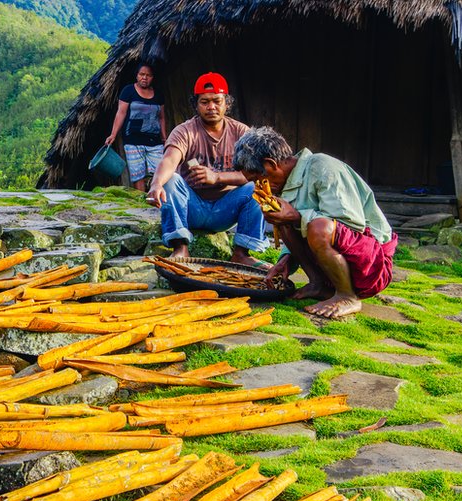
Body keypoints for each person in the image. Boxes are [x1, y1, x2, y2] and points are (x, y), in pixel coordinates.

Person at [233, 126, 398, 318]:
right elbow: (298, 227)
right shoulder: (286, 183)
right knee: (282, 218)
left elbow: (350, 225)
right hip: (334, 265)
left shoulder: (324, 168)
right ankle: (318, 283)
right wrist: (286, 260)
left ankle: (347, 296)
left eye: (258, 178)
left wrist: (296, 216)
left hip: (370, 267)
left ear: (271, 163)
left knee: (318, 226)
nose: (258, 186)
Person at [147, 72, 267, 265]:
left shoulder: (242, 133)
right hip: (191, 207)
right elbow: (169, 160)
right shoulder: (185, 131)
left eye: (217, 101)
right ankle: (180, 248)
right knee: (171, 180)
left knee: (259, 186)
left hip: (226, 210)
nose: (211, 107)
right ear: (196, 104)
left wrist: (217, 178)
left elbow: (255, 172)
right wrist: (156, 184)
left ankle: (241, 253)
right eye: (204, 102)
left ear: (227, 103)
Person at [105, 64, 167, 192]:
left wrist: (164, 137)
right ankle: (141, 203)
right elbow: (121, 113)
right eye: (142, 74)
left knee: (159, 172)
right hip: (132, 140)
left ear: (152, 77)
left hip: (154, 141)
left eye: (148, 75)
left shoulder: (158, 95)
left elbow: (161, 117)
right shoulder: (128, 91)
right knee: (138, 174)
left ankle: (156, 200)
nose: (145, 78)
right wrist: (113, 134)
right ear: (137, 75)